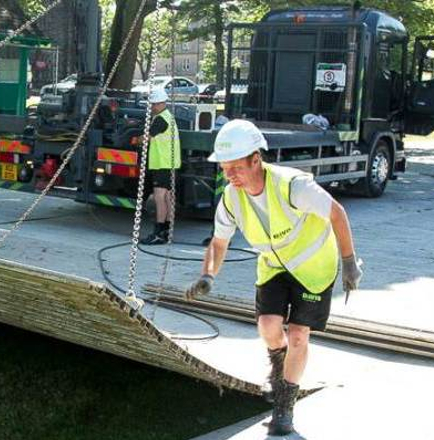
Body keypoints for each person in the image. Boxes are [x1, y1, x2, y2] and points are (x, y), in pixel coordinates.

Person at [185, 119, 363, 436]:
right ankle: (279, 368)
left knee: (298, 336)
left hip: (313, 268)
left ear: (256, 159)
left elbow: (337, 212)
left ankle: (284, 407)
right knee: (268, 327)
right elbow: (219, 242)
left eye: (235, 167)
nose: (229, 175)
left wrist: (349, 263)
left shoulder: (293, 186)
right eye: (224, 168)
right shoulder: (231, 197)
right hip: (274, 266)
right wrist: (208, 275)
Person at [141, 88, 181, 245]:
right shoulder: (168, 117)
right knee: (167, 197)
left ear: (159, 103)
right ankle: (167, 230)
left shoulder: (161, 120)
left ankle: (158, 232)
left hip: (162, 164)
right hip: (170, 163)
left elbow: (147, 137)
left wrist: (135, 139)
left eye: (153, 104)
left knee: (159, 197)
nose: (151, 107)